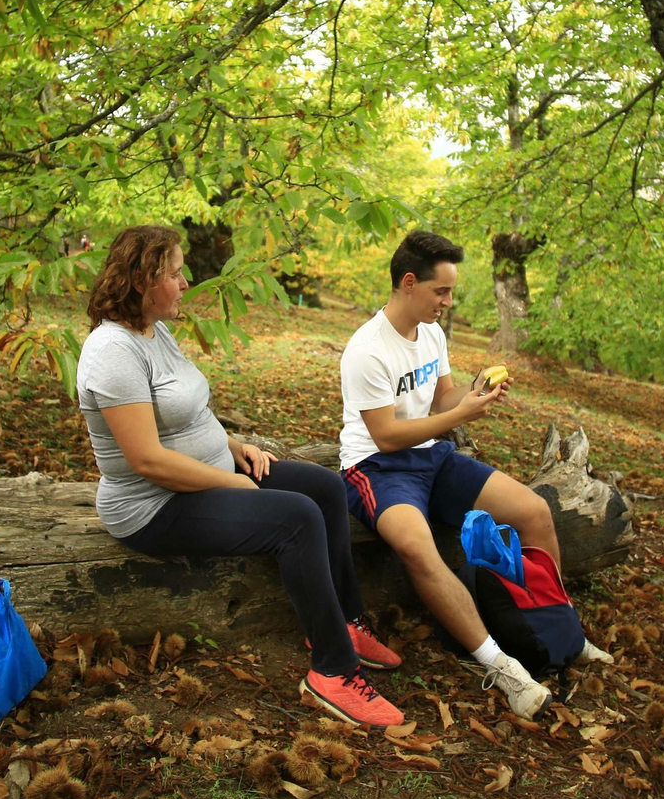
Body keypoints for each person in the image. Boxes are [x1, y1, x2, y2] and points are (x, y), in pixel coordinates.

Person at [75, 225, 405, 728]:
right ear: (141, 280)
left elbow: (187, 414)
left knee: (323, 487)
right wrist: (230, 481)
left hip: (208, 471)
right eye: (174, 274)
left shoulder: (154, 330)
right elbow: (147, 460)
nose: (186, 282)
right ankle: (332, 673)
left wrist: (235, 447)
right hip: (153, 505)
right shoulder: (112, 351)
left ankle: (343, 620)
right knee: (295, 517)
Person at [336, 230, 611, 721]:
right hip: (376, 468)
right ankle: (500, 665)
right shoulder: (367, 350)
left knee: (533, 509)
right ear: (408, 283)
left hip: (432, 456)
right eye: (441, 291)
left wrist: (471, 395)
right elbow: (386, 436)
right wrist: (462, 417)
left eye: (450, 291)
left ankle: (556, 623)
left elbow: (441, 400)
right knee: (417, 546)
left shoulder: (433, 332)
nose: (447, 301)